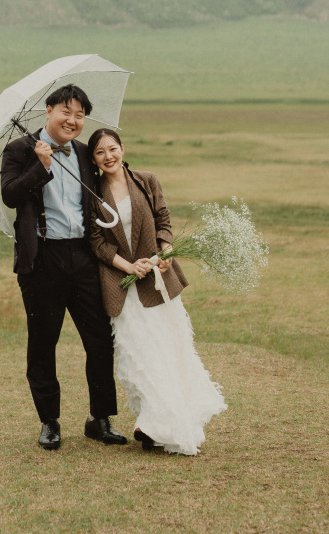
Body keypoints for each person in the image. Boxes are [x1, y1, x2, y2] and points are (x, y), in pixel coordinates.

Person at [0, 83, 128, 451]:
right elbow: (10, 195)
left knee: (101, 339)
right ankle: (49, 422)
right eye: (65, 112)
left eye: (79, 114)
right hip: (41, 260)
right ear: (49, 111)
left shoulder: (87, 153)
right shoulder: (19, 150)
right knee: (43, 343)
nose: (72, 120)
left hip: (84, 257)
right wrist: (40, 167)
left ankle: (99, 418)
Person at [87, 127, 227, 455]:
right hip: (122, 285)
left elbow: (163, 219)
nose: (108, 156)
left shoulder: (146, 180)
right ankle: (150, 421)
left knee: (167, 348)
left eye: (112, 149)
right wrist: (128, 267)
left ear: (123, 149)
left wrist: (165, 251)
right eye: (99, 152)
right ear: (93, 160)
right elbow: (95, 242)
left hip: (157, 282)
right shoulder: (92, 193)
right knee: (139, 352)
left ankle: (160, 424)